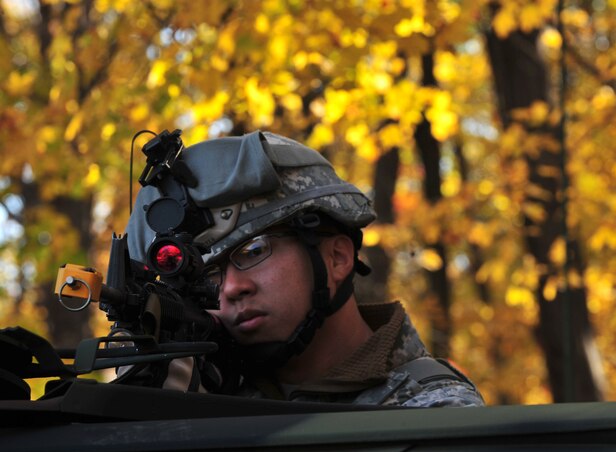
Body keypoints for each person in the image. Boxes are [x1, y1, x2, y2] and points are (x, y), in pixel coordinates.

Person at [125, 130, 484, 408]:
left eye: (253, 251)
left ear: (337, 258)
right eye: (208, 275)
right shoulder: (209, 400)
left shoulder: (432, 410)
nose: (231, 289)